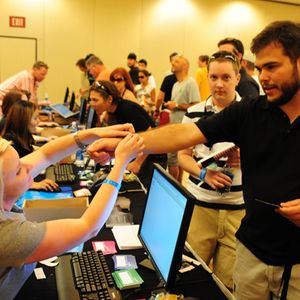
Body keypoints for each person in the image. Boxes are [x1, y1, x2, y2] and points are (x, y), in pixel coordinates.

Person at [87, 21, 300, 300]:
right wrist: (122, 144)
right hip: (253, 252)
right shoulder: (250, 111)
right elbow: (184, 134)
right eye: (260, 69)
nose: (263, 78)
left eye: (272, 67)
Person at [0, 123, 143, 299]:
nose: (29, 166)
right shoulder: (6, 233)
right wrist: (120, 164)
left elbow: (45, 154)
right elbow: (89, 227)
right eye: (18, 170)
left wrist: (93, 133)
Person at [178, 51, 245, 290]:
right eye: (214, 77)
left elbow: (271, 160)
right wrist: (204, 174)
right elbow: (183, 156)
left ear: (238, 78)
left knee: (226, 284)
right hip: (200, 206)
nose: (219, 84)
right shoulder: (193, 113)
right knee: (190, 275)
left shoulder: (253, 113)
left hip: (237, 210)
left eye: (226, 77)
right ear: (206, 78)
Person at [88, 80, 164, 185]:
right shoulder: (112, 112)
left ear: (109, 99)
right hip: (141, 154)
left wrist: (137, 163)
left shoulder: (127, 110)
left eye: (95, 100)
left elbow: (149, 134)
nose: (91, 104)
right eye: (90, 100)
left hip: (152, 157)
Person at [1, 100, 58, 191]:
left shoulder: (24, 137)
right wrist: (33, 185)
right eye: (35, 118)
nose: (38, 122)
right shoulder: (10, 147)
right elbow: (6, 180)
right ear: (23, 121)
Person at [164, 55, 200, 181]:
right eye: (172, 61)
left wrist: (177, 105)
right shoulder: (175, 85)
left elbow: (196, 104)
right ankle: (178, 185)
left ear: (185, 66)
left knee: (173, 159)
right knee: (175, 159)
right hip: (174, 126)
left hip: (183, 128)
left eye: (176, 61)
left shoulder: (191, 83)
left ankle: (174, 185)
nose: (172, 63)